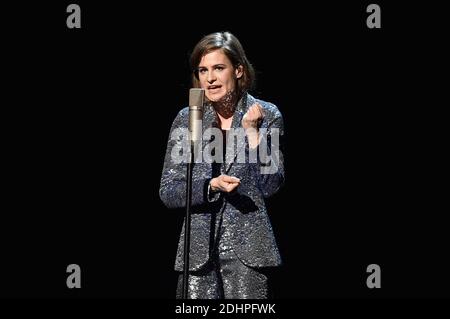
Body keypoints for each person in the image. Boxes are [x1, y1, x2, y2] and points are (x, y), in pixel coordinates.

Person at [159, 31, 285, 299]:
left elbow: (271, 183)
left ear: (238, 70)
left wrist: (252, 133)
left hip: (248, 252)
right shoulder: (188, 119)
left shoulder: (266, 114)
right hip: (197, 253)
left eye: (218, 68)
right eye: (203, 70)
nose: (210, 78)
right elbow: (168, 191)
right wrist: (209, 186)